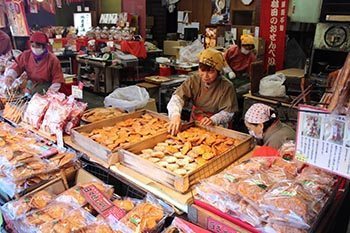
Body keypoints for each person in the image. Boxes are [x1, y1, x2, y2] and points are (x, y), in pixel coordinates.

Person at [167, 48, 238, 135]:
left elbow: (228, 112)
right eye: (202, 70)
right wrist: (175, 115)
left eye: (211, 72)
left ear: (218, 71)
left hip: (217, 125)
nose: (205, 76)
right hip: (196, 119)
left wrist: (214, 119)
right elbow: (177, 98)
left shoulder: (226, 86)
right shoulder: (194, 80)